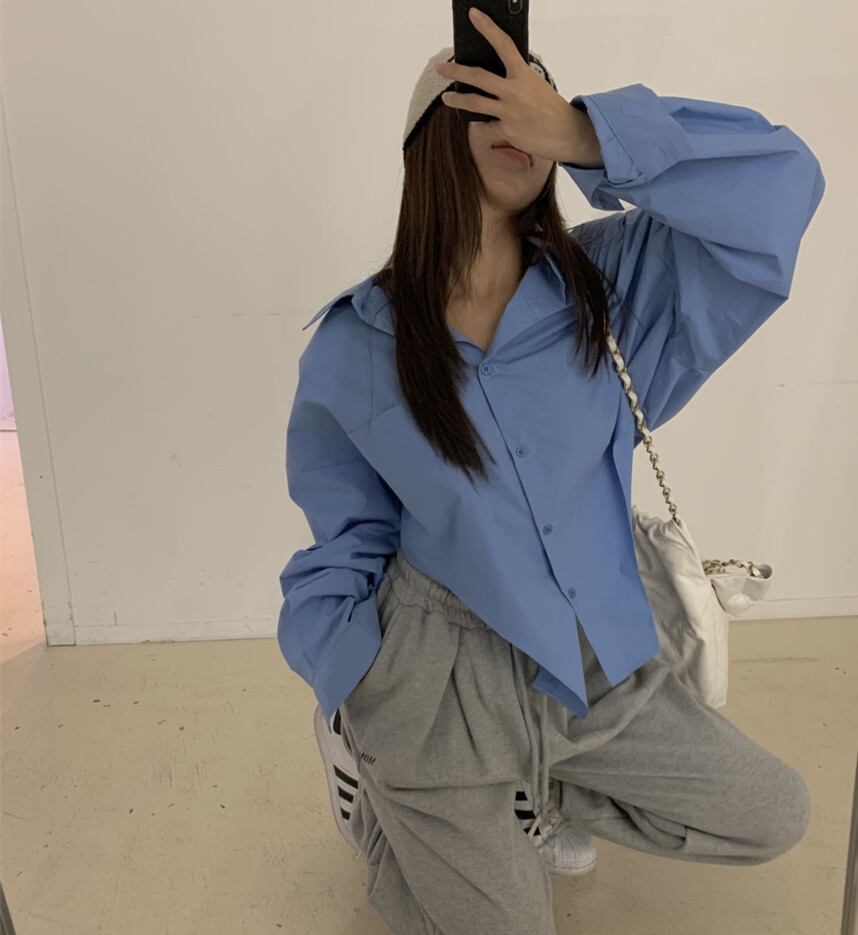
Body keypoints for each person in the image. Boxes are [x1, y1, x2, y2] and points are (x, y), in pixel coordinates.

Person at [277, 8, 826, 933]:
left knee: (776, 811)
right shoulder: (356, 344)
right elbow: (346, 537)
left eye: (530, 98)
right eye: (485, 100)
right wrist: (357, 680)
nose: (516, 119)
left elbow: (783, 186)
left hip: (590, 661)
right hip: (436, 678)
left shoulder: (610, 291)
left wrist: (582, 131)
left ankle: (540, 786)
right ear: (429, 138)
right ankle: (385, 786)